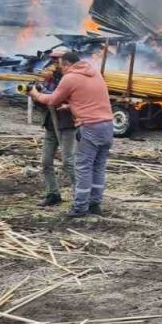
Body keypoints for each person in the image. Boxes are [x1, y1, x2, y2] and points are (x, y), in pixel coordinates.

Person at [29, 50, 114, 218]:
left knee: (83, 167)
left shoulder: (70, 77)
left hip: (90, 126)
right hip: (107, 125)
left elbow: (52, 100)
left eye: (60, 65)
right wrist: (71, 106)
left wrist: (35, 94)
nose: (59, 68)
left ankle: (80, 208)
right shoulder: (94, 72)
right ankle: (95, 204)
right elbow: (89, 98)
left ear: (67, 64)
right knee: (98, 167)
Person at [36, 47, 77, 207]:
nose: (54, 63)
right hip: (50, 124)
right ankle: (53, 193)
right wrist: (37, 93)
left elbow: (59, 98)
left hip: (66, 124)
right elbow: (43, 101)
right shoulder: (49, 77)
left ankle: (79, 196)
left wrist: (44, 94)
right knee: (46, 161)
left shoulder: (72, 78)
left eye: (57, 60)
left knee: (68, 161)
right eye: (53, 59)